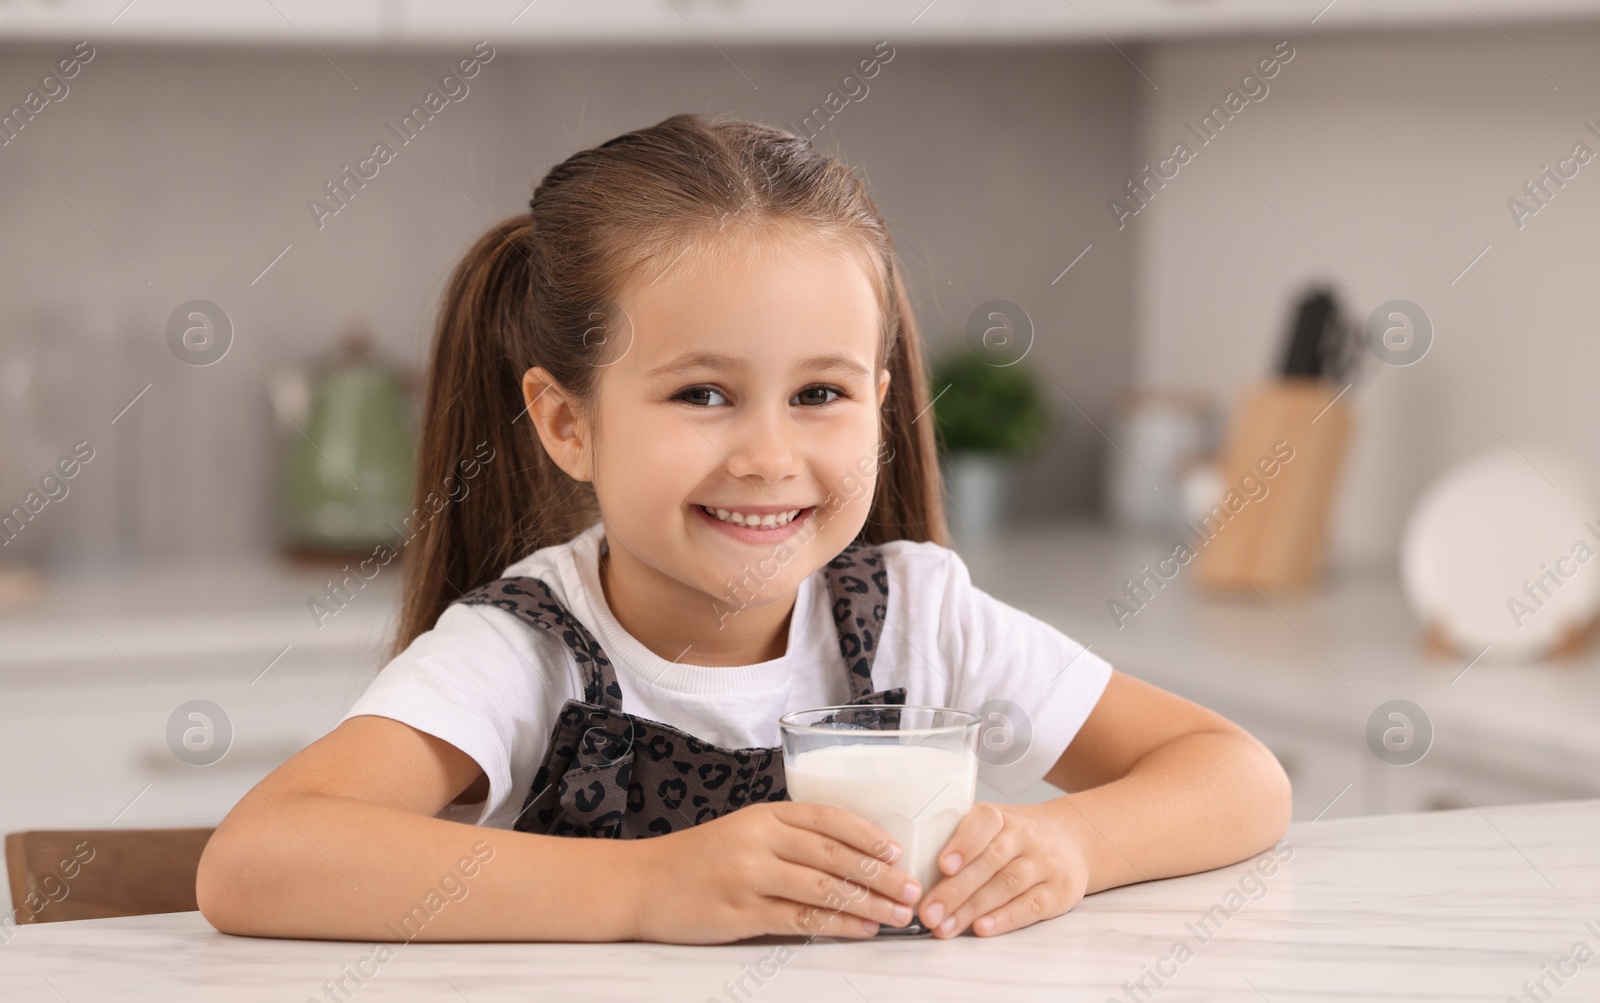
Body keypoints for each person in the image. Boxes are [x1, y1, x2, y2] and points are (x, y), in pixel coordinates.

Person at [197, 113, 1290, 945]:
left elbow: (1237, 774)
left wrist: (1070, 842)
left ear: (879, 394)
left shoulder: (916, 615)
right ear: (567, 421)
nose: (769, 456)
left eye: (819, 394)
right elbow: (257, 859)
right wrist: (647, 887)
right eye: (704, 395)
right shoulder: (525, 648)